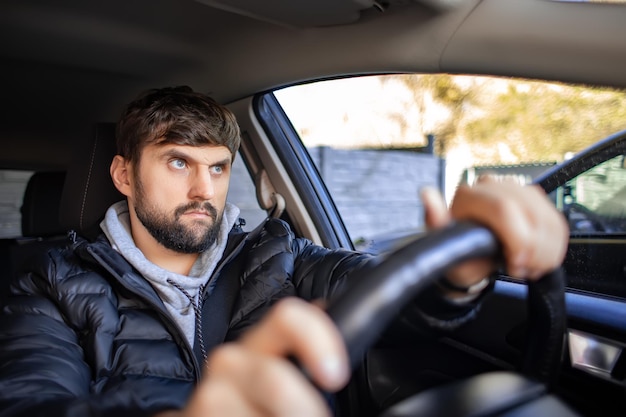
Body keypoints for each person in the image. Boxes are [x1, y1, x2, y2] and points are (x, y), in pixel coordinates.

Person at [0, 86, 568, 417]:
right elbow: (31, 403)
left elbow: (373, 290)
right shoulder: (51, 284)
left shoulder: (276, 255)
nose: (205, 191)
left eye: (218, 168)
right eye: (179, 162)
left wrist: (457, 273)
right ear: (123, 175)